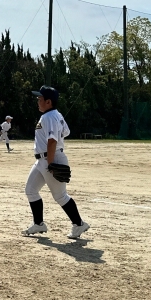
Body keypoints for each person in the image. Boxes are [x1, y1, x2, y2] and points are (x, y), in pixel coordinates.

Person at [23, 86, 90, 239]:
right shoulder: (55, 115)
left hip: (50, 159)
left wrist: (51, 163)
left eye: (40, 99)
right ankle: (39, 224)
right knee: (31, 190)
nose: (38, 101)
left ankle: (79, 224)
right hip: (43, 160)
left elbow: (52, 141)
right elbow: (66, 131)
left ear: (48, 102)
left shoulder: (49, 116)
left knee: (60, 196)